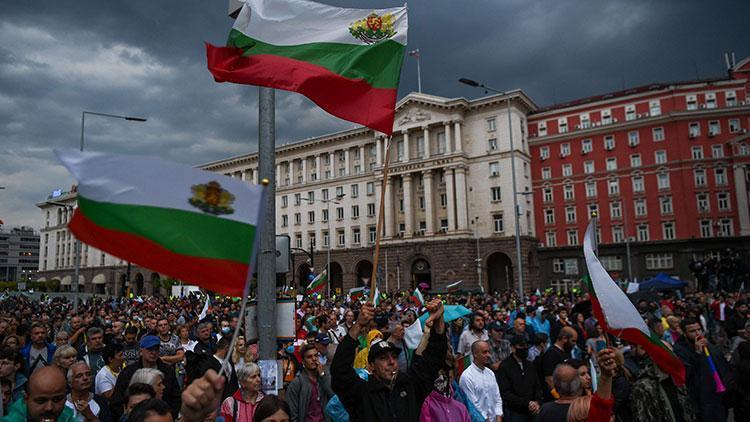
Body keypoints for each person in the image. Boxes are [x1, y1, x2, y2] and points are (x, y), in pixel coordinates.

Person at [331, 299, 447, 421]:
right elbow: (340, 371)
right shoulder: (361, 394)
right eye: (383, 358)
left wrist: (439, 320)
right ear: (371, 366)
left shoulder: (410, 386)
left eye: (394, 357)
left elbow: (434, 358)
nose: (391, 362)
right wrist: (358, 325)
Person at [673, 316, 732, 422]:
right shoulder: (679, 349)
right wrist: (697, 353)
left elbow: (721, 364)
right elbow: (686, 373)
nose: (697, 333)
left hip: (718, 393)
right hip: (701, 396)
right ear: (684, 333)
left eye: (699, 329)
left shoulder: (708, 342)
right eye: (692, 331)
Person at [110, 335, 181, 420]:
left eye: (156, 349)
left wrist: (168, 417)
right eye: (150, 349)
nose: (153, 352)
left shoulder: (168, 371)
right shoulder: (128, 372)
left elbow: (176, 398)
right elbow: (117, 401)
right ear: (141, 350)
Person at [2, 366, 75, 422]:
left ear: (65, 397)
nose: (49, 408)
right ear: (26, 398)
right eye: (41, 401)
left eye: (56, 400)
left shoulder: (67, 417)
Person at [497, 333, 543, 422]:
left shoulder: (530, 365)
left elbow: (538, 386)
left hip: (533, 410)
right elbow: (505, 393)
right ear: (513, 348)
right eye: (521, 346)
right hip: (515, 412)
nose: (525, 348)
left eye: (526, 346)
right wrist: (527, 403)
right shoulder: (505, 366)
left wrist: (537, 402)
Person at [286, 343, 333, 422]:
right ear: (303, 361)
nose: (314, 359)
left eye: (316, 355)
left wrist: (323, 375)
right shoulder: (296, 383)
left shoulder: (324, 378)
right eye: (309, 357)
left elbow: (333, 396)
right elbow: (292, 413)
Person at [459, 340, 503, 421]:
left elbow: (497, 397)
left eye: (489, 352)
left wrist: (498, 415)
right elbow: (472, 404)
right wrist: (486, 419)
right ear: (475, 354)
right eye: (484, 352)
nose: (488, 355)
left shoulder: (491, 373)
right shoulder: (467, 376)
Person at [541, 327, 577, 400]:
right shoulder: (551, 354)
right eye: (573, 341)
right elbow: (549, 379)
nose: (574, 344)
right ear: (564, 338)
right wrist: (558, 397)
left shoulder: (566, 352)